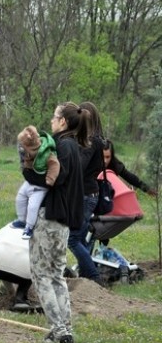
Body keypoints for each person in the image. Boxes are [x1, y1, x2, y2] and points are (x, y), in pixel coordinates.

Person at [22, 101, 86, 343]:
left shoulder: (62, 146)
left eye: (54, 117)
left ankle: (58, 330)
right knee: (57, 275)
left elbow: (50, 180)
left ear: (63, 122)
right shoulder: (74, 147)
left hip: (50, 218)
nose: (51, 120)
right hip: (63, 221)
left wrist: (27, 166)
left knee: (41, 275)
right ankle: (65, 330)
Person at [65, 102, 103, 283]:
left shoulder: (91, 141)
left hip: (86, 195)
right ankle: (87, 279)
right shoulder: (93, 140)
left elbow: (79, 167)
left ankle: (94, 277)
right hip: (88, 194)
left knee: (72, 240)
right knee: (81, 238)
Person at [11, 125, 60, 240]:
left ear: (31, 146)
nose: (21, 148)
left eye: (24, 146)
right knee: (20, 198)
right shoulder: (28, 151)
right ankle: (22, 220)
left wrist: (50, 179)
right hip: (30, 181)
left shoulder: (46, 153)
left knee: (33, 206)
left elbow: (55, 165)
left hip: (40, 186)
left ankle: (29, 227)